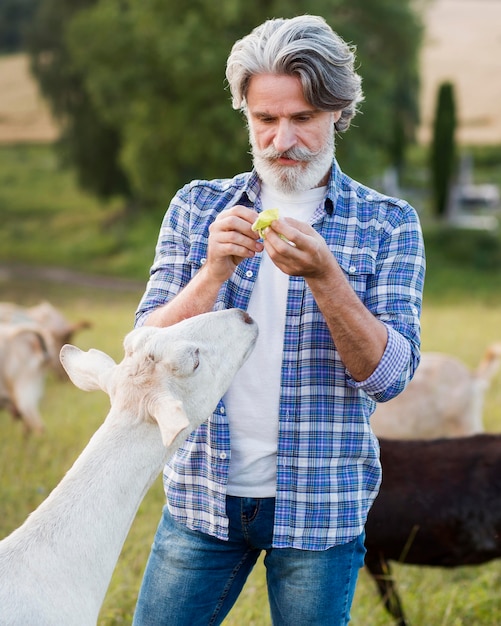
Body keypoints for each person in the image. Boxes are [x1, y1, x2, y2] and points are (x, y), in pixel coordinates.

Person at [132, 14, 425, 626]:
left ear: (338, 113)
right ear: (245, 112)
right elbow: (141, 350)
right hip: (202, 500)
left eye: (302, 119)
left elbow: (390, 377)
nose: (281, 140)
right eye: (265, 119)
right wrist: (211, 272)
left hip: (323, 508)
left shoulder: (389, 224)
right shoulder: (197, 206)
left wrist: (326, 277)